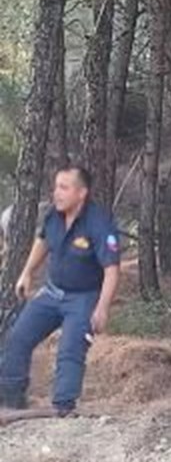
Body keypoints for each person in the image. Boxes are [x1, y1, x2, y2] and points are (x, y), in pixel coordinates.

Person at [0, 167, 121, 416]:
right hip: (52, 292)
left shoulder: (99, 223)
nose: (57, 193)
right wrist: (27, 273)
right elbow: (43, 241)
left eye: (64, 187)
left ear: (82, 193)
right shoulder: (53, 216)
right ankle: (10, 400)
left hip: (84, 297)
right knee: (18, 337)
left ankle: (63, 407)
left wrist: (102, 308)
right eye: (56, 186)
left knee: (70, 348)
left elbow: (112, 269)